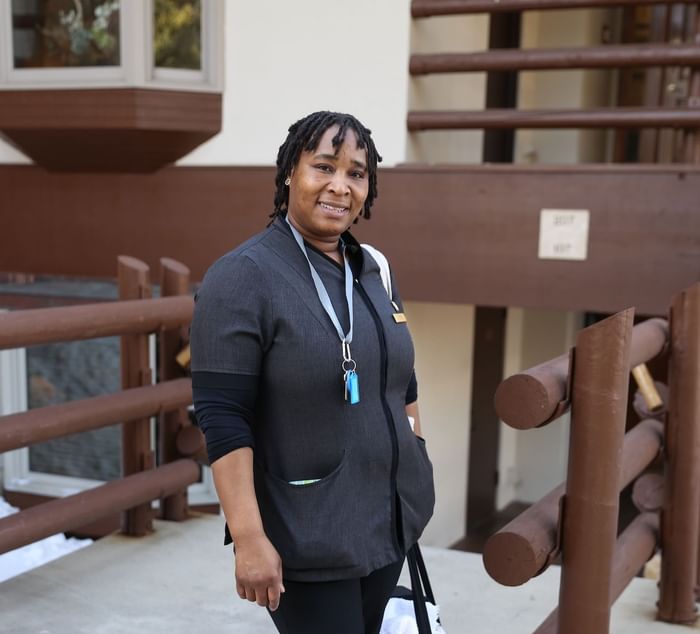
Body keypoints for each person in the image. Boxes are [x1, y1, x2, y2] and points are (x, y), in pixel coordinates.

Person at [190, 111, 435, 634]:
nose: (340, 186)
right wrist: (250, 536)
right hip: (306, 533)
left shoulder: (374, 268)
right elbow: (222, 415)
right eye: (323, 166)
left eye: (356, 173)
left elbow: (402, 381)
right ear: (289, 175)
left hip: (388, 521)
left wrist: (413, 461)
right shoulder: (243, 276)